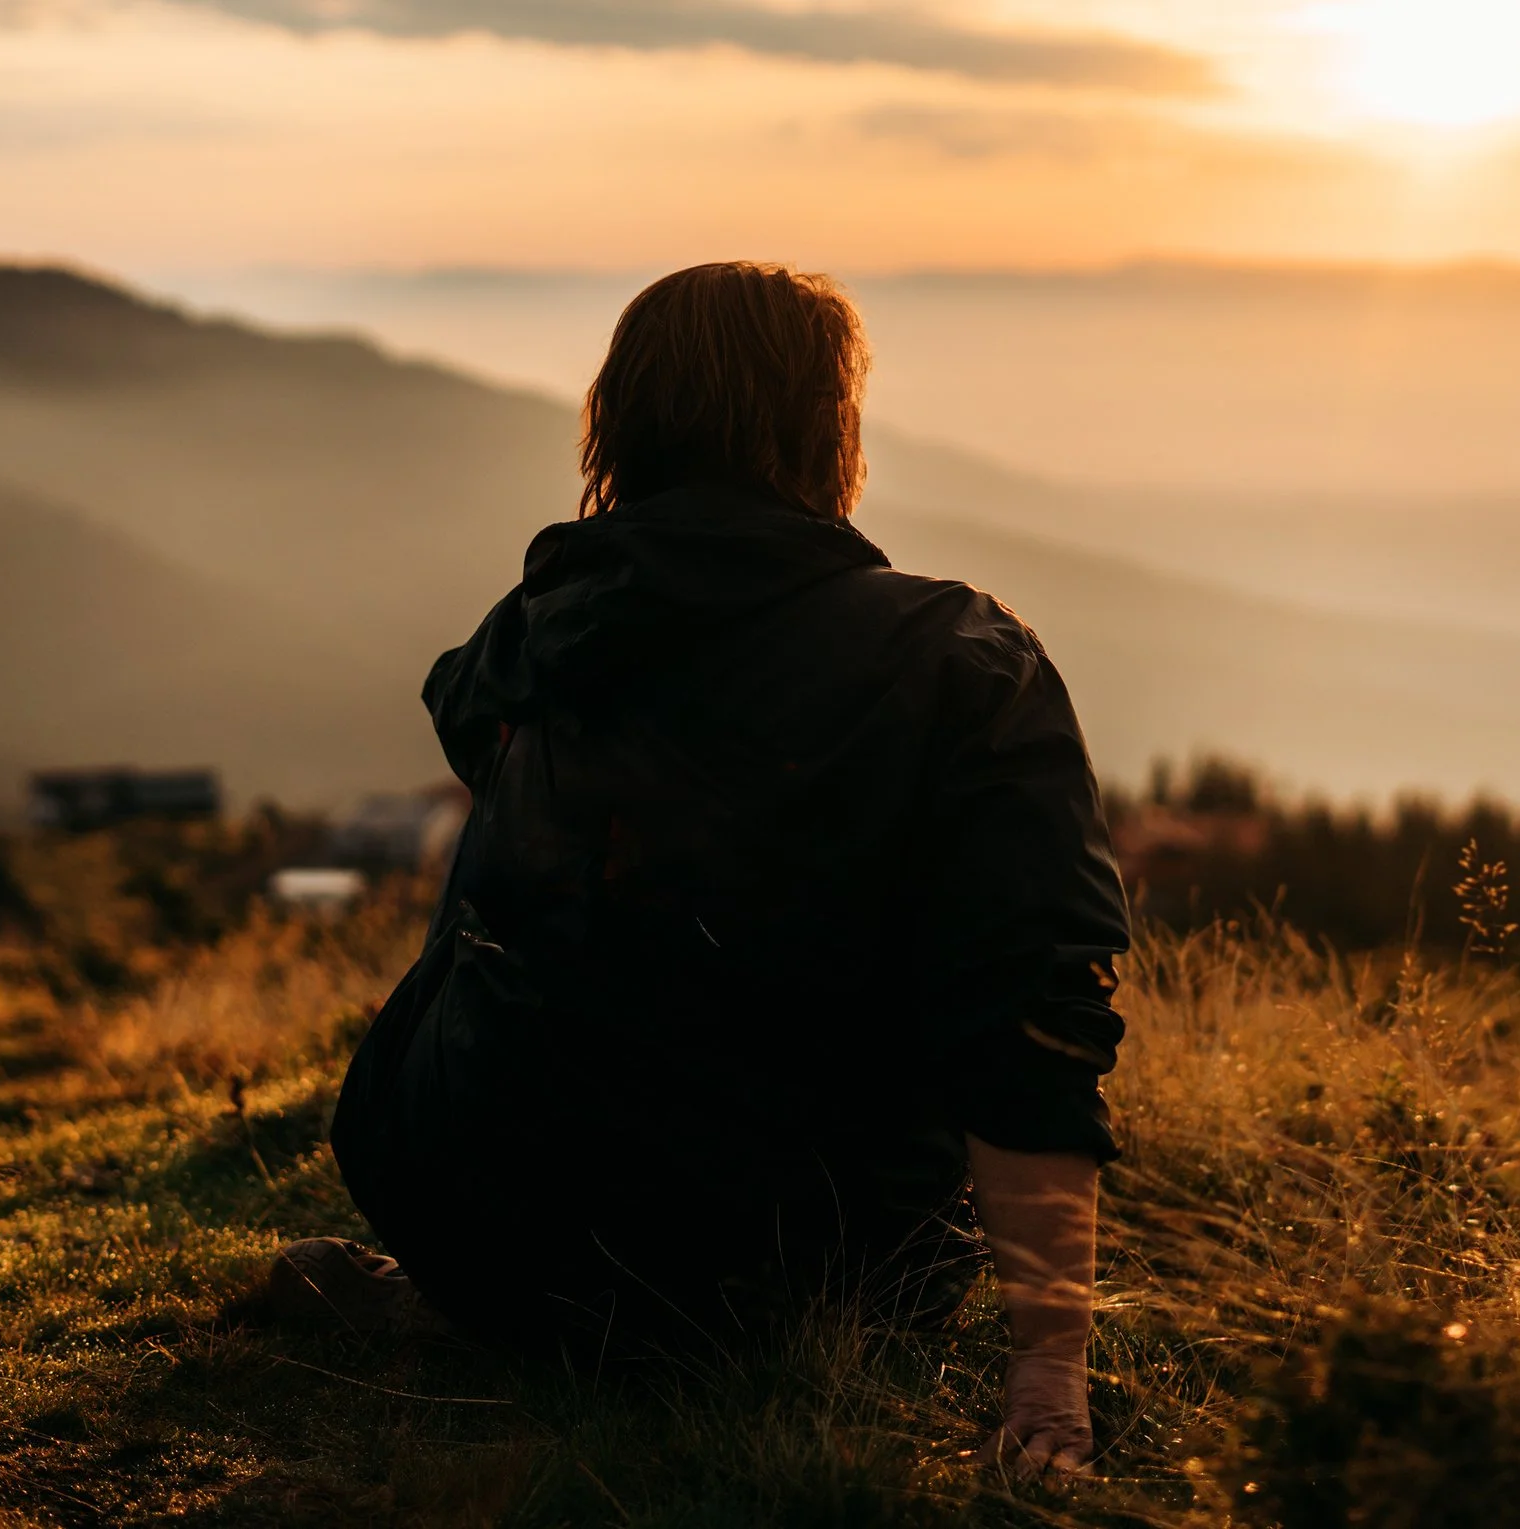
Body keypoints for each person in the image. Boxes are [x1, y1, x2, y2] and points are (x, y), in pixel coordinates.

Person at [294, 261, 1129, 1477]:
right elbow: (1033, 1015)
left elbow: (467, 723)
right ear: (828, 426)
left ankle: (510, 1252)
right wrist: (1049, 1362)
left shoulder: (536, 630)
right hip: (791, 1276)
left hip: (468, 1232)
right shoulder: (959, 658)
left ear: (618, 425)